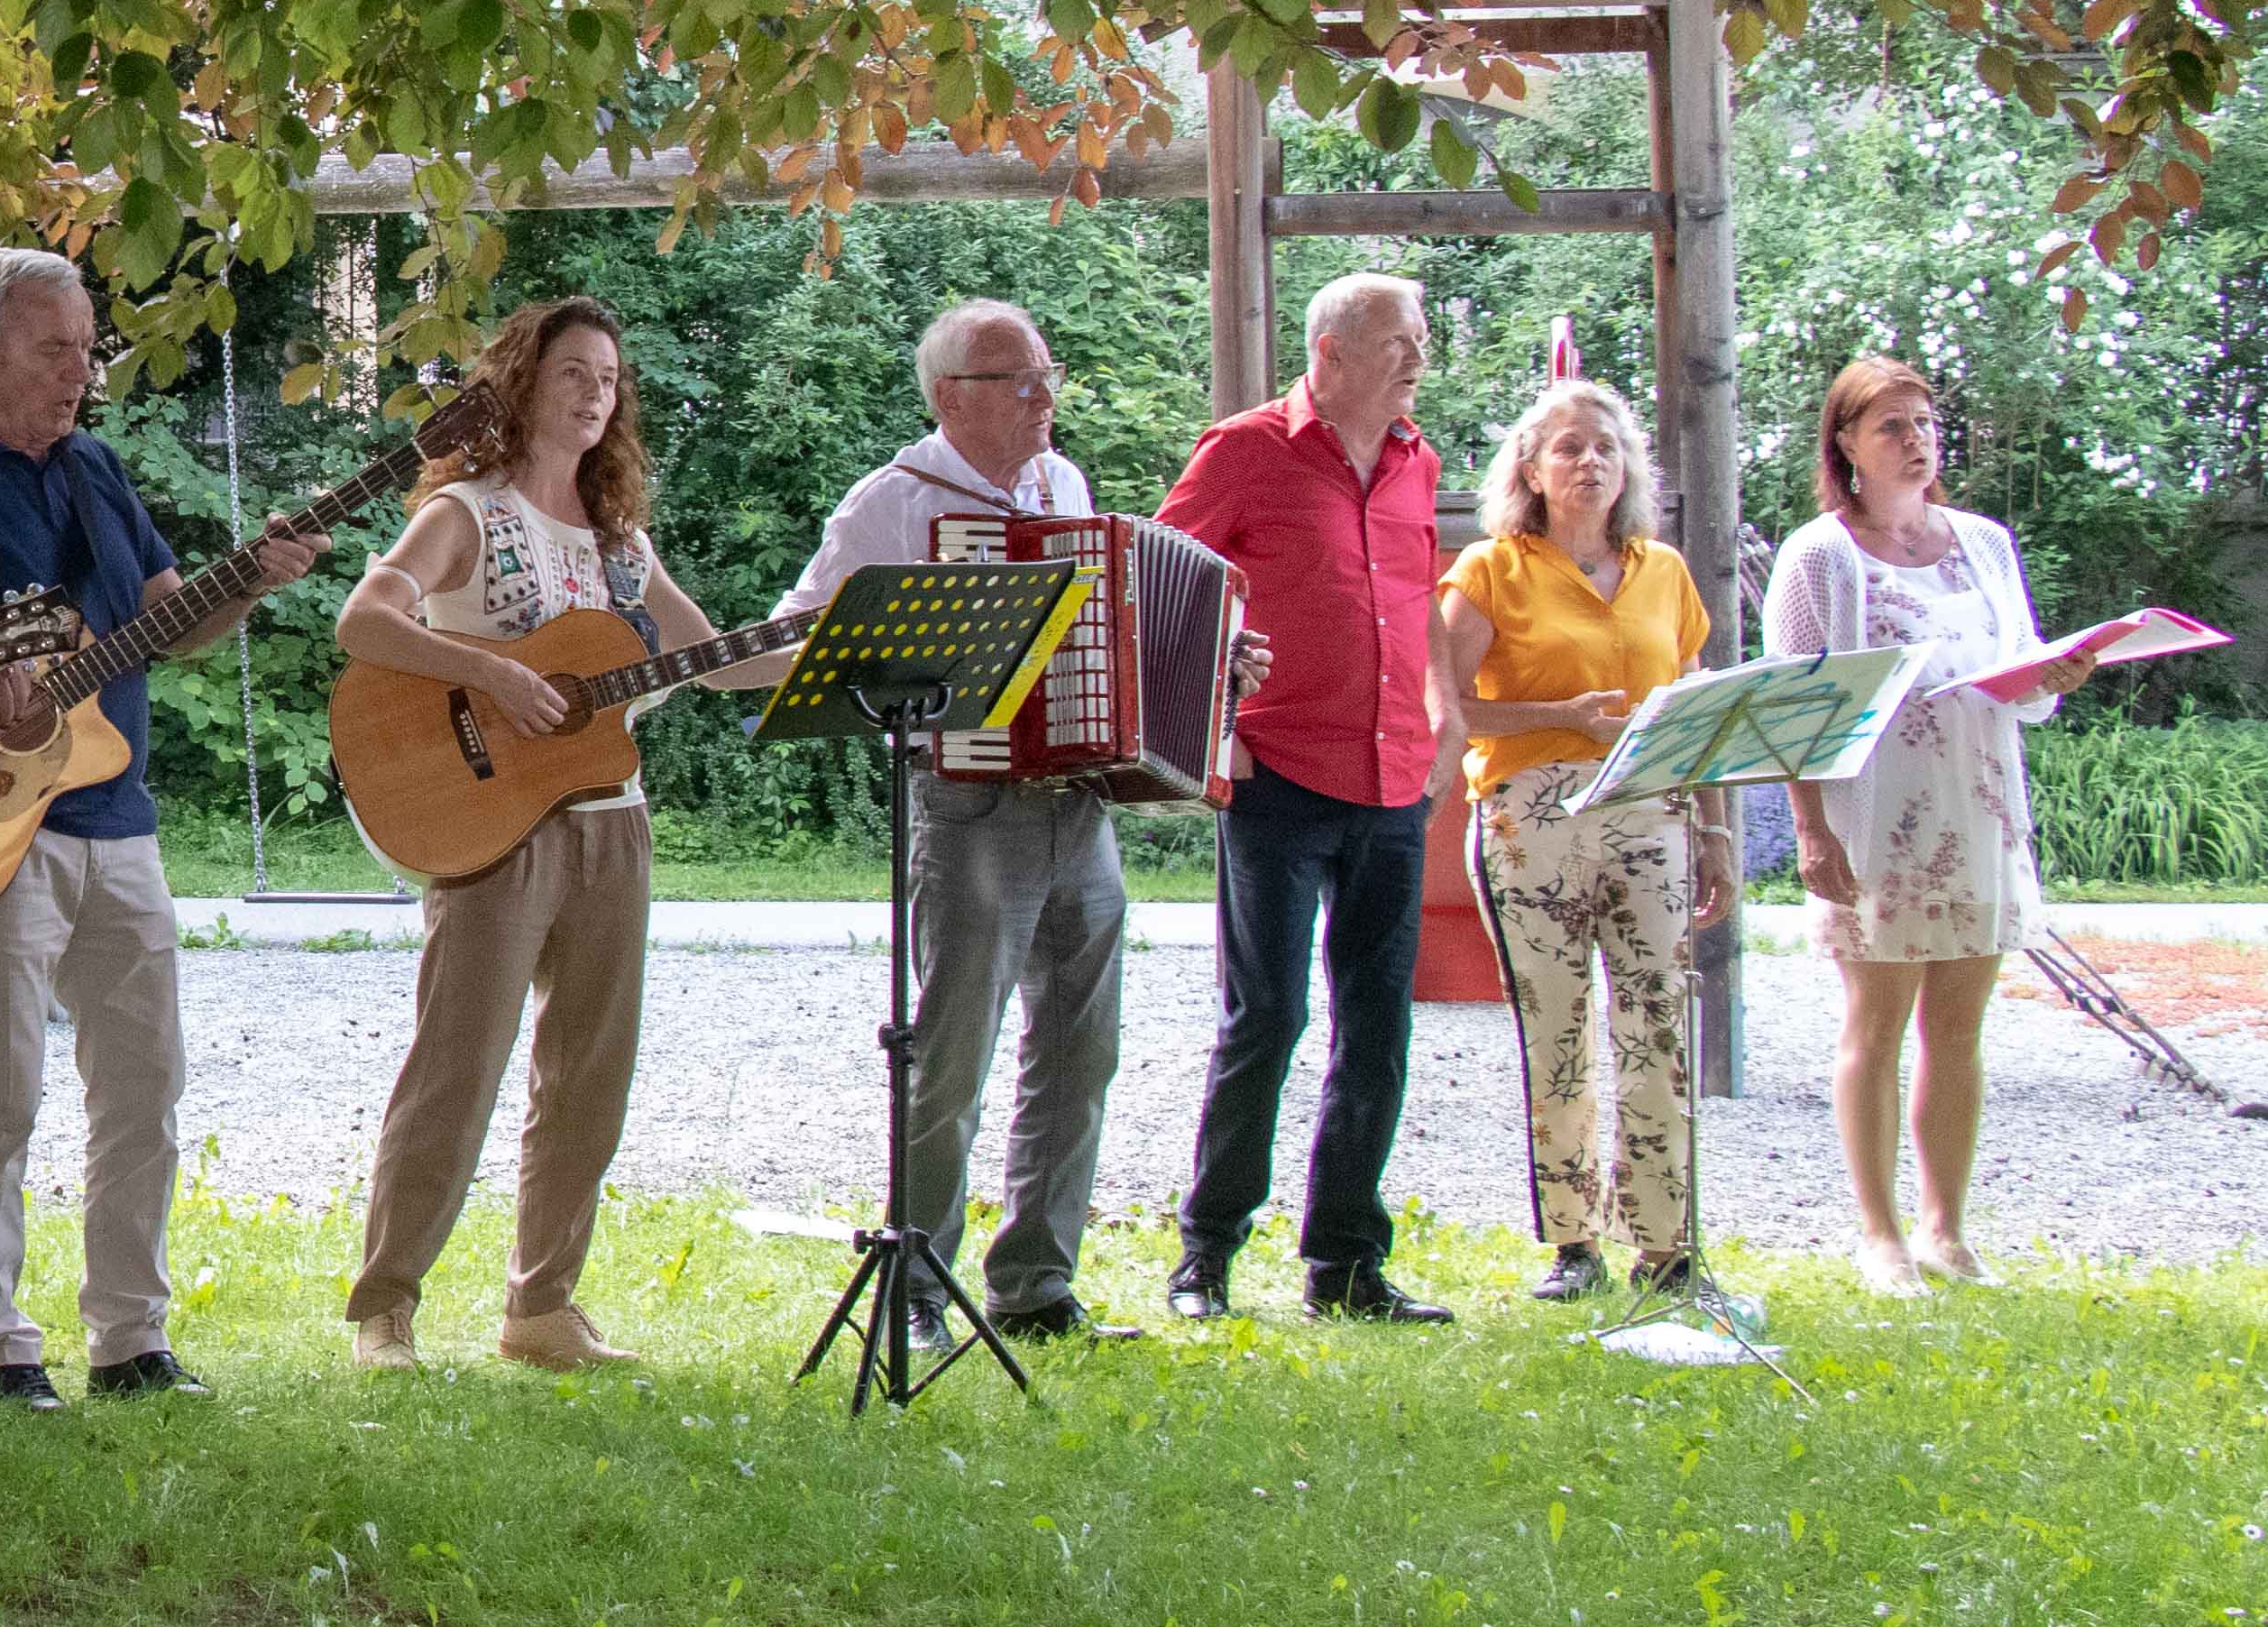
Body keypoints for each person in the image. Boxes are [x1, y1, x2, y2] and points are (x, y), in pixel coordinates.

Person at [0, 247, 317, 1410]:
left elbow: (168, 627)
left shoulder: (98, 469)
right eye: (53, 349)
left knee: (142, 1089)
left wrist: (251, 581)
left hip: (118, 816)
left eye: (86, 349)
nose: (79, 372)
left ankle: (129, 1338)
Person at [334, 296, 771, 1374]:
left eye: (608, 379)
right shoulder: (467, 514)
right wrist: (490, 669)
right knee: (457, 1067)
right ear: (522, 381)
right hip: (493, 821)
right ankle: (383, 1311)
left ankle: (540, 1308)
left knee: (589, 1075)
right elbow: (364, 618)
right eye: (572, 370)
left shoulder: (621, 547)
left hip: (611, 825)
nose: (592, 393)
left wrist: (847, 643)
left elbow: (715, 659)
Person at [777, 300, 1133, 1348]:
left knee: (1080, 1049)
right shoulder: (890, 503)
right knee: (953, 1053)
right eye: (1018, 380)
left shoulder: (1061, 486)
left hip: (1079, 797)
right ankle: (917, 1288)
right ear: (948, 398)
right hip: (968, 799)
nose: (1044, 398)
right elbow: (808, 631)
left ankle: (1034, 1283)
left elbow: (1105, 633)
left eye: (1044, 374)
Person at [1767, 355, 2100, 1292]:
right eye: (1892, 429)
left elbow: (2017, 672)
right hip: (1874, 818)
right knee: (1875, 1025)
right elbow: (1793, 708)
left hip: (1977, 804)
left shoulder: (1983, 543)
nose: (1916, 443)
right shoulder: (1818, 557)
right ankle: (1875, 1234)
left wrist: (2053, 676)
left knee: (1958, 1028)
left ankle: (1944, 1230)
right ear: (1845, 445)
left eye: (1925, 424)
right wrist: (1810, 831)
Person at [1161, 272, 1455, 1327]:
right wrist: (1208, 705)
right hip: (1279, 772)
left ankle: (1345, 1265)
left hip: (1393, 779)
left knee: (1375, 1029)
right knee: (1269, 1017)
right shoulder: (1246, 450)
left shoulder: (1418, 464)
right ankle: (1206, 1254)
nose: (1416, 357)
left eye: (1419, 339)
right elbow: (1157, 580)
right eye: (1396, 341)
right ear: (1328, 352)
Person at [1437, 380, 1717, 1303]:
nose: (1587, 463)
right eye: (1565, 448)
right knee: (1555, 1030)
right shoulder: (1488, 568)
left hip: (1650, 813)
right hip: (1532, 816)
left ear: (1629, 465)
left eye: (1604, 447)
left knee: (1658, 1024)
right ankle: (1571, 1244)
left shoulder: (1662, 572)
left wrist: (1709, 827)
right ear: (1530, 467)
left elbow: (1693, 705)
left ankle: (1667, 1245)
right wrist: (1556, 714)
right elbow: (1449, 705)